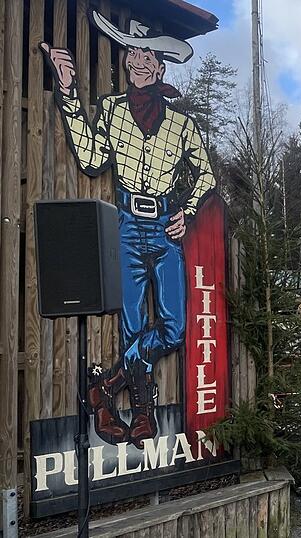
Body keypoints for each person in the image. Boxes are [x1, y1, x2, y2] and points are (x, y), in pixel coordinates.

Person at [41, 12, 216, 449]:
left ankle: (106, 386)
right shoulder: (113, 111)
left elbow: (207, 175)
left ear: (160, 67)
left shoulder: (181, 124)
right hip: (125, 225)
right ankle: (142, 417)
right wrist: (67, 91)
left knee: (174, 327)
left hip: (164, 227)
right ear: (127, 60)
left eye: (149, 55)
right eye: (133, 51)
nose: (139, 60)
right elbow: (91, 158)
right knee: (133, 327)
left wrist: (189, 211)